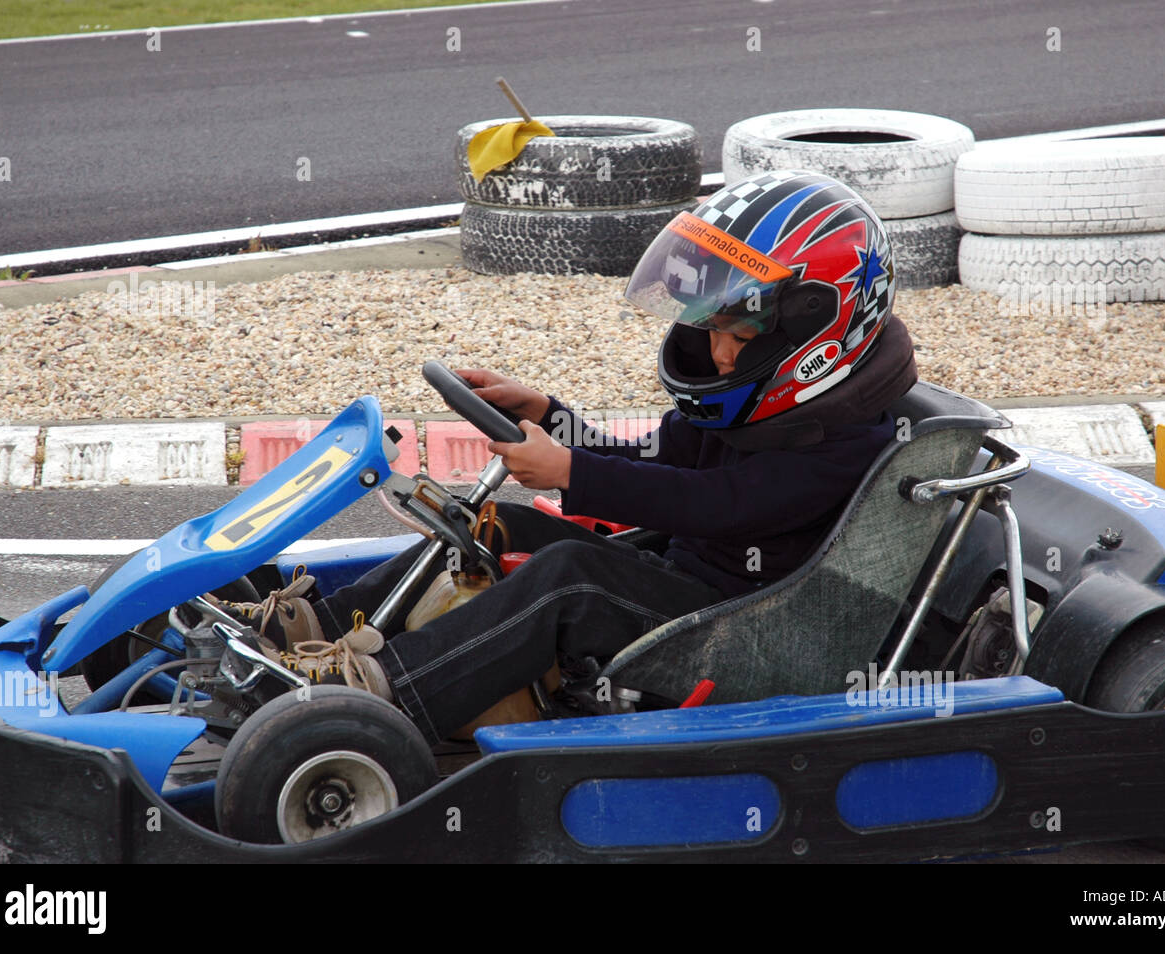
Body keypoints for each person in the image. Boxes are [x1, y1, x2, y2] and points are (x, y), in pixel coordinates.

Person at [230, 171, 919, 745]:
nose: (718, 354)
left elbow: (714, 505)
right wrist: (553, 418)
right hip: (687, 586)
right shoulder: (759, 409)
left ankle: (369, 707)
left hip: (744, 630)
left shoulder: (840, 442)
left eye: (737, 334)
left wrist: (571, 474)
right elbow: (654, 455)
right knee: (498, 521)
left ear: (817, 333)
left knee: (570, 579)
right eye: (710, 330)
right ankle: (315, 628)